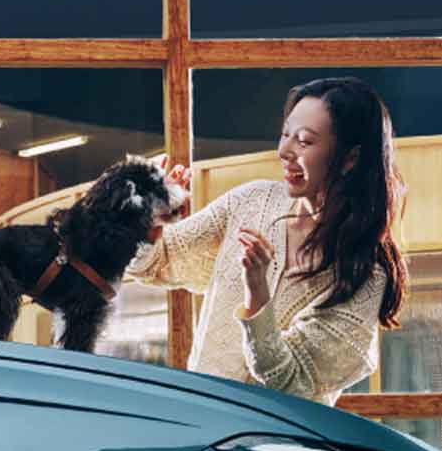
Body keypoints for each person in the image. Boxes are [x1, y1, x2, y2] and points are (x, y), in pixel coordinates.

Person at [125, 77, 409, 406]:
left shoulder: (366, 276)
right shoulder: (251, 201)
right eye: (285, 134)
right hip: (199, 423)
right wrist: (151, 219)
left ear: (350, 158)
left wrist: (257, 294)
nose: (284, 151)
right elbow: (154, 264)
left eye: (304, 141)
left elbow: (288, 384)